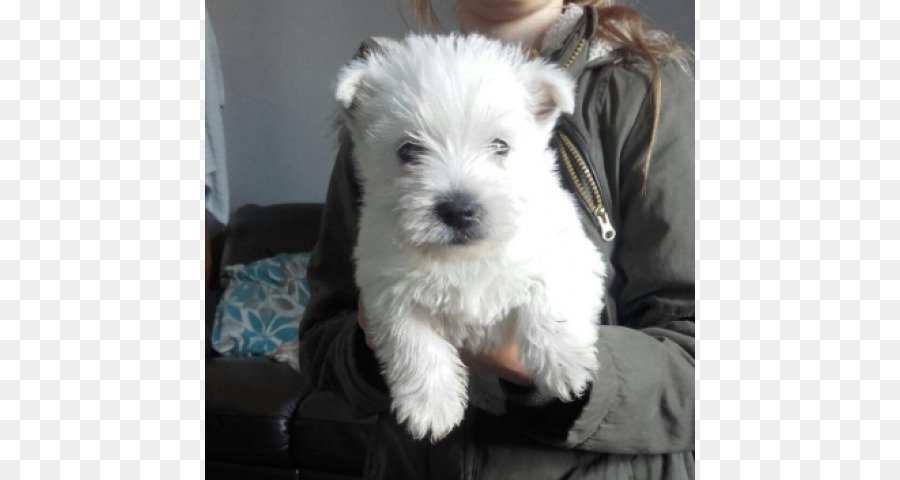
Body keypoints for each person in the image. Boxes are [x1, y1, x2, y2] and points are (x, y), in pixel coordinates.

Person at [298, 1, 695, 478]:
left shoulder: (647, 90)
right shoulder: (384, 91)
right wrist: (394, 342)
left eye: (498, 148)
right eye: (411, 153)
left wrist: (542, 359)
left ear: (543, 115)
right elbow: (323, 341)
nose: (457, 192)